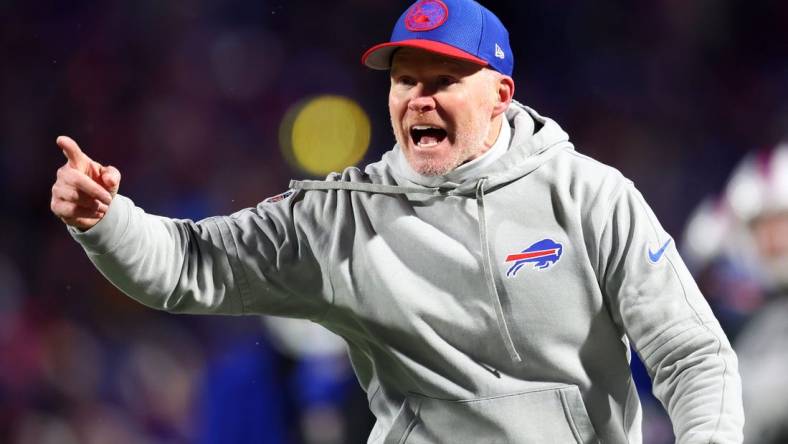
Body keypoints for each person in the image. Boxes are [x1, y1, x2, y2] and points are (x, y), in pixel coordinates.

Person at [50, 0, 743, 442]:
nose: (419, 98)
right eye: (405, 80)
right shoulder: (341, 219)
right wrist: (107, 221)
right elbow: (188, 265)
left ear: (500, 94)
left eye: (443, 81)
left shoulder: (592, 195)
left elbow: (691, 354)